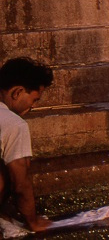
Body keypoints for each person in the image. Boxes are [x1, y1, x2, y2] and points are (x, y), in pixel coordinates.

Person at [0, 58, 53, 232]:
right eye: (34, 100)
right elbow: (20, 183)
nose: (32, 106)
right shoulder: (14, 124)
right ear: (17, 92)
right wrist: (32, 222)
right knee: (18, 166)